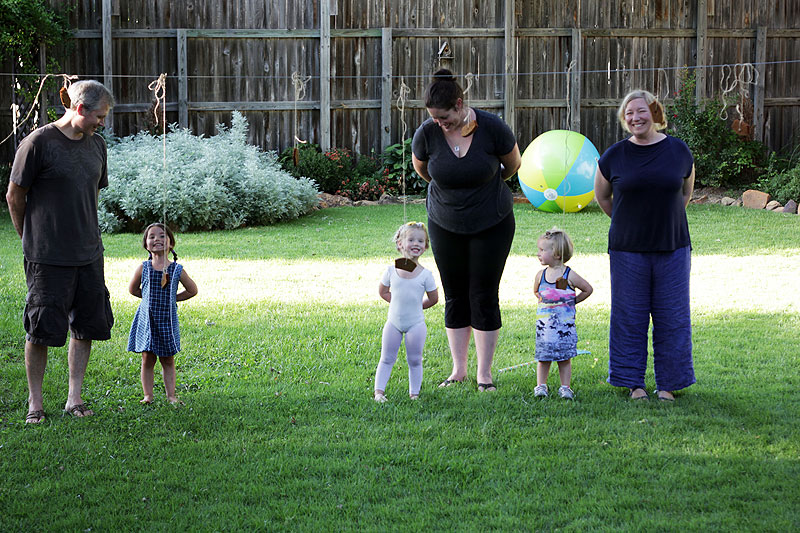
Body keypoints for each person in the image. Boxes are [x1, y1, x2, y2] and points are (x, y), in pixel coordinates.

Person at [6, 80, 115, 423]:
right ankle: (35, 403)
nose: (102, 123)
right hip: (47, 257)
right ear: (80, 108)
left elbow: (92, 193)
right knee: (40, 329)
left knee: (85, 326)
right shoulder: (38, 143)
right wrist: (30, 238)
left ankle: (74, 398)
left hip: (89, 253)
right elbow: (14, 196)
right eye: (100, 116)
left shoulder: (97, 145)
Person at [412, 69, 521, 392]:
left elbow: (512, 164)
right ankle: (458, 370)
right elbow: (423, 169)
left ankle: (484, 374)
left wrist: (482, 185)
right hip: (444, 223)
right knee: (455, 293)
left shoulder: (492, 127)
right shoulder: (427, 133)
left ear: (459, 104)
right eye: (435, 118)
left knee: (483, 293)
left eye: (445, 117)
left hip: (492, 221)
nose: (440, 123)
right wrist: (453, 189)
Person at [594, 89, 696, 402]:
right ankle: (633, 383)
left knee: (673, 317)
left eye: (641, 111)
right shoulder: (614, 156)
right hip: (627, 250)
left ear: (654, 113)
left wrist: (663, 220)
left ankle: (669, 384)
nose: (635, 117)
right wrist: (629, 221)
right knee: (629, 318)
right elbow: (603, 197)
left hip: (673, 247)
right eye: (629, 113)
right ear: (624, 119)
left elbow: (685, 194)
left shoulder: (679, 151)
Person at [128, 223, 198, 404]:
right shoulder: (144, 268)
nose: (156, 239)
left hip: (166, 321)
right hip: (148, 321)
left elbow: (192, 290)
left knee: (167, 360)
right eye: (151, 237)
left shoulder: (177, 270)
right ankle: (148, 395)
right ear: (146, 244)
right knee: (147, 359)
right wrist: (148, 298)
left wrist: (173, 299)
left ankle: (171, 396)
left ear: (171, 243)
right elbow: (133, 289)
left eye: (161, 236)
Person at [374, 222, 439, 402]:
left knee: (415, 359)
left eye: (421, 241)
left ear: (426, 246)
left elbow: (433, 299)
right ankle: (379, 392)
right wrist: (396, 303)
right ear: (400, 244)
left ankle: (414, 394)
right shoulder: (391, 271)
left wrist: (417, 307)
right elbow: (383, 292)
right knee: (386, 358)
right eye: (411, 240)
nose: (416, 243)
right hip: (393, 323)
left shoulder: (426, 275)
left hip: (415, 324)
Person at [533, 228, 593, 399]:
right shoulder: (540, 275)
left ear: (557, 254)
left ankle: (565, 388)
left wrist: (573, 302)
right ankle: (541, 386)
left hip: (564, 329)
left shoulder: (569, 275)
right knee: (543, 358)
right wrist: (545, 301)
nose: (538, 254)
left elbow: (588, 289)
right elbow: (536, 291)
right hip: (545, 329)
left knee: (564, 359)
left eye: (542, 250)